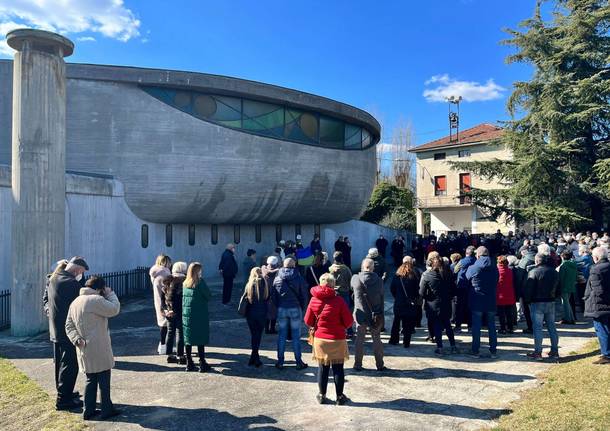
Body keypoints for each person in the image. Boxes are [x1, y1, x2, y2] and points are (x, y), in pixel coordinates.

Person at [65, 276, 121, 420]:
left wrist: (76, 339)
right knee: (104, 380)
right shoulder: (96, 300)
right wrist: (110, 294)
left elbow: (68, 326)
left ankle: (88, 410)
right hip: (99, 346)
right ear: (99, 289)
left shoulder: (75, 302)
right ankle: (107, 409)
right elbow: (114, 309)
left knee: (90, 380)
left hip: (83, 347)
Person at [47, 256, 89, 410]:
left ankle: (64, 392)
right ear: (77, 270)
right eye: (82, 272)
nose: (81, 275)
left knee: (60, 363)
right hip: (67, 331)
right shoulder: (70, 283)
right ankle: (64, 399)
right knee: (70, 365)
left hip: (56, 329)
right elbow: (81, 302)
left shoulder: (54, 278)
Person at [304, 273, 353, 405]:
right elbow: (349, 322)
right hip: (337, 338)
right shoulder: (339, 301)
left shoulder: (313, 300)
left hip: (320, 339)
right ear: (333, 285)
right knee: (338, 369)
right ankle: (339, 397)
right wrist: (340, 326)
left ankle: (321, 395)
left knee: (322, 368)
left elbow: (308, 320)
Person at [272, 257, 309, 370]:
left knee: (282, 335)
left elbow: (273, 296)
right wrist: (302, 307)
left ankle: (280, 361)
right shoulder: (298, 277)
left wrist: (279, 305)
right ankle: (298, 362)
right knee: (296, 336)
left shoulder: (277, 278)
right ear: (294, 265)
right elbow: (304, 294)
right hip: (295, 308)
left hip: (282, 308)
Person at [524, 253, 560, 360]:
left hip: (537, 302)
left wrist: (527, 300)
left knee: (538, 328)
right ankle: (554, 351)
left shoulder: (533, 272)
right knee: (551, 326)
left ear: (537, 261)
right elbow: (559, 287)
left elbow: (529, 288)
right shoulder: (554, 272)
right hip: (550, 301)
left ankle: (538, 352)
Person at [420, 252, 457, 355]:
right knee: (447, 324)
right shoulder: (448, 272)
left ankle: (440, 347)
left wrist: (428, 298)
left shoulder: (427, 275)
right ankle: (453, 345)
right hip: (446, 303)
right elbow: (454, 290)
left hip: (433, 304)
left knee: (437, 325)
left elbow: (421, 292)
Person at [352, 258, 386, 371]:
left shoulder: (355, 279)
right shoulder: (379, 281)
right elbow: (381, 298)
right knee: (377, 339)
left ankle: (357, 364)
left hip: (360, 315)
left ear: (362, 267)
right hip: (375, 315)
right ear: (373, 268)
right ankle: (380, 365)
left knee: (359, 340)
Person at [466, 246, 499, 358]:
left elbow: (466, 280)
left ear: (478, 255)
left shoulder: (473, 268)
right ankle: (493, 350)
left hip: (477, 299)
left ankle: (475, 350)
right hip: (491, 299)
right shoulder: (495, 268)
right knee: (491, 326)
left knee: (476, 326)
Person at [182, 262, 212, 372]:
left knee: (188, 339)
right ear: (197, 271)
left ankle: (189, 363)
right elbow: (208, 296)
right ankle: (202, 363)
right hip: (200, 314)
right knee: (200, 338)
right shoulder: (200, 282)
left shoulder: (185, 283)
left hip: (187, 315)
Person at [584, 247, 610, 364]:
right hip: (606, 303)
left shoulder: (595, 269)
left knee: (601, 329)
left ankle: (606, 354)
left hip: (599, 304)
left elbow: (598, 290)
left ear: (596, 257)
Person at [240, 267, 270, 367]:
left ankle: (254, 356)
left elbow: (245, 299)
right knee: (258, 335)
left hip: (251, 314)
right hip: (262, 313)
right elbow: (268, 297)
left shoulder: (249, 284)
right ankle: (255, 356)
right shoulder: (265, 283)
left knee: (254, 335)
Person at [389, 256, 420, 347]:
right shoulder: (414, 275)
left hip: (399, 302)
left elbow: (392, 288)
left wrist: (397, 297)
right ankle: (406, 342)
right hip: (410, 303)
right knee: (408, 323)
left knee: (396, 322)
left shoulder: (397, 275)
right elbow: (417, 289)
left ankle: (394, 340)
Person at [163, 261, 187, 365]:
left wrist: (166, 309)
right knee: (179, 333)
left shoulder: (168, 279)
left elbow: (163, 296)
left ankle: (169, 355)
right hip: (178, 311)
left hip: (169, 312)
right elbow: (176, 298)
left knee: (170, 332)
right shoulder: (182, 281)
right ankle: (180, 356)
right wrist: (173, 309)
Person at [328, 251, 354, 338]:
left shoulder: (330, 268)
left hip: (333, 293)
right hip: (344, 292)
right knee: (346, 313)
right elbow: (351, 280)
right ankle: (349, 331)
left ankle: (336, 330)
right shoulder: (346, 269)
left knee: (335, 313)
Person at [150, 254, 171, 354]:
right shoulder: (165, 274)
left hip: (158, 301)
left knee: (162, 324)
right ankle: (164, 346)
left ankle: (163, 345)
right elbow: (168, 290)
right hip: (165, 302)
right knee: (166, 325)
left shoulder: (155, 273)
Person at [453, 246, 476, 332]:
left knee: (460, 306)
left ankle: (458, 326)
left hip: (462, 286)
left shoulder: (462, 261)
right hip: (472, 286)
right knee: (470, 307)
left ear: (466, 253)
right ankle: (470, 326)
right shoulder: (476, 261)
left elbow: (455, 270)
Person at [496, 255, 516, 334]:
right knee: (509, 313)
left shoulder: (497, 271)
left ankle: (503, 328)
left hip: (500, 294)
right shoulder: (510, 271)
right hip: (509, 294)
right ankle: (510, 328)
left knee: (501, 313)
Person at [557, 250, 577, 324]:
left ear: (562, 257)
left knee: (565, 303)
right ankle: (571, 318)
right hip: (571, 286)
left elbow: (561, 278)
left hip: (564, 286)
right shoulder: (574, 264)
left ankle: (568, 319)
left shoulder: (563, 266)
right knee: (567, 303)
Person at [263, 256, 280, 334]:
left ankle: (266, 329)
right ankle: (272, 329)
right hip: (275, 294)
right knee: (274, 313)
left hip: (265, 294)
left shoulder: (263, 270)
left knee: (266, 312)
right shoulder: (278, 272)